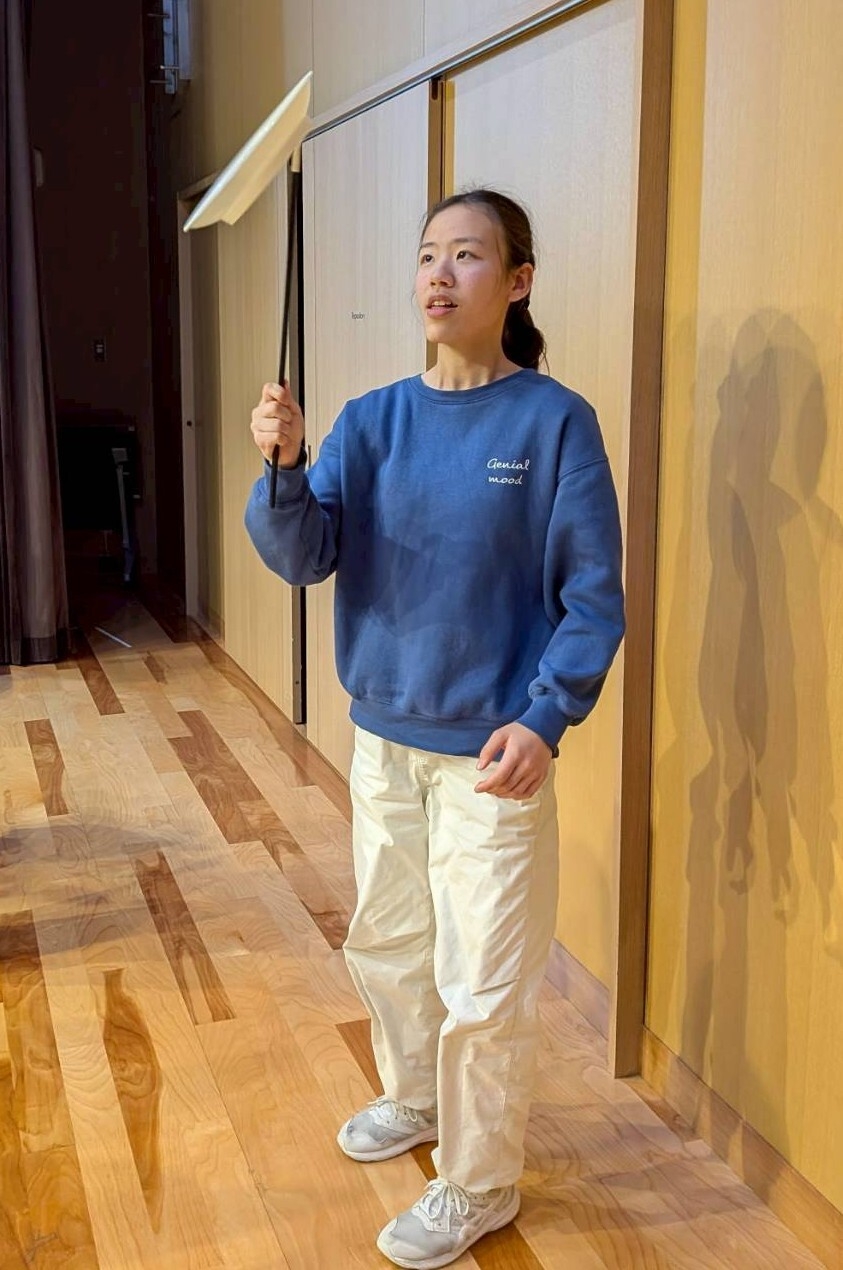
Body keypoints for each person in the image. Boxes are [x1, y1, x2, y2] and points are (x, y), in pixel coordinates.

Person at [245, 188, 625, 1269]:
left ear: (517, 282)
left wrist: (547, 718)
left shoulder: (553, 423)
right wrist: (282, 466)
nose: (439, 275)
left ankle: (480, 1182)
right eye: (426, 256)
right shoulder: (371, 422)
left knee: (483, 982)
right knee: (390, 942)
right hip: (383, 742)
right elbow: (304, 554)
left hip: (494, 760)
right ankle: (413, 1097)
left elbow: (593, 598)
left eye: (466, 255)